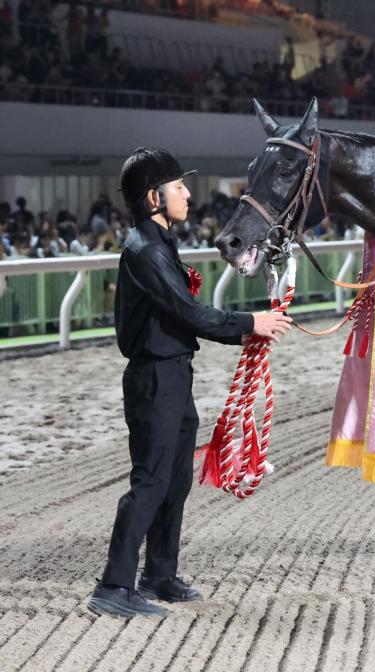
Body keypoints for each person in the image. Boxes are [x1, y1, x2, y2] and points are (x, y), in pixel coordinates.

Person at [87, 147, 292, 618]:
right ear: (153, 198)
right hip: (154, 379)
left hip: (173, 375)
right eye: (177, 186)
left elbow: (184, 316)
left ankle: (159, 573)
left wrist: (245, 328)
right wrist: (249, 323)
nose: (186, 193)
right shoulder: (144, 251)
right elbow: (189, 312)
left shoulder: (158, 244)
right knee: (151, 481)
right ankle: (113, 586)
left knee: (175, 480)